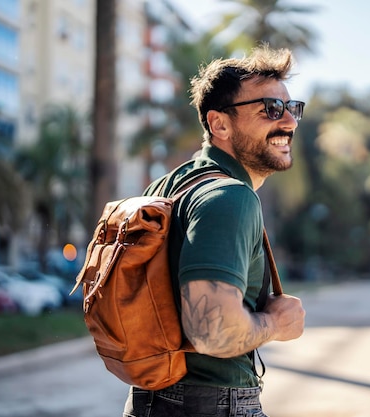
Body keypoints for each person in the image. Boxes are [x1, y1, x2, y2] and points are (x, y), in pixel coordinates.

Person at [123, 45, 306, 417]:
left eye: (292, 108)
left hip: (150, 400)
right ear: (219, 124)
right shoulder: (229, 197)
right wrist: (275, 324)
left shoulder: (165, 188)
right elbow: (212, 331)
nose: (288, 122)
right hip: (210, 404)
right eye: (270, 109)